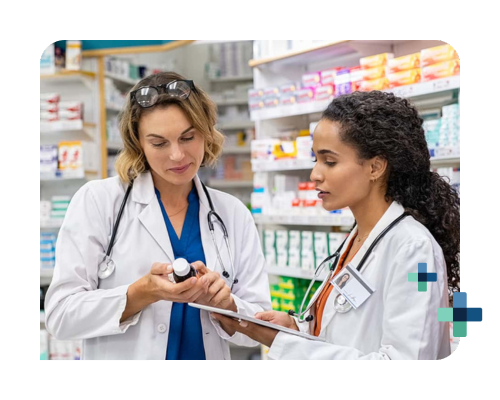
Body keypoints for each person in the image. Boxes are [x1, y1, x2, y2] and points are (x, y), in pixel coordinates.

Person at [213, 90, 460, 360]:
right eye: (315, 160)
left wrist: (286, 344)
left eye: (330, 161)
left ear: (375, 167)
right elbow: (344, 331)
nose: (315, 174)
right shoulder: (358, 238)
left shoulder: (415, 252)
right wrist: (296, 328)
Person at [45, 71, 271, 360]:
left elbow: (258, 324)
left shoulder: (232, 213)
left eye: (188, 137)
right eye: (159, 143)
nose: (177, 155)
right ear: (138, 142)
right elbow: (60, 315)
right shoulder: (98, 202)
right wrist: (140, 293)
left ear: (206, 131)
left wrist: (228, 306)